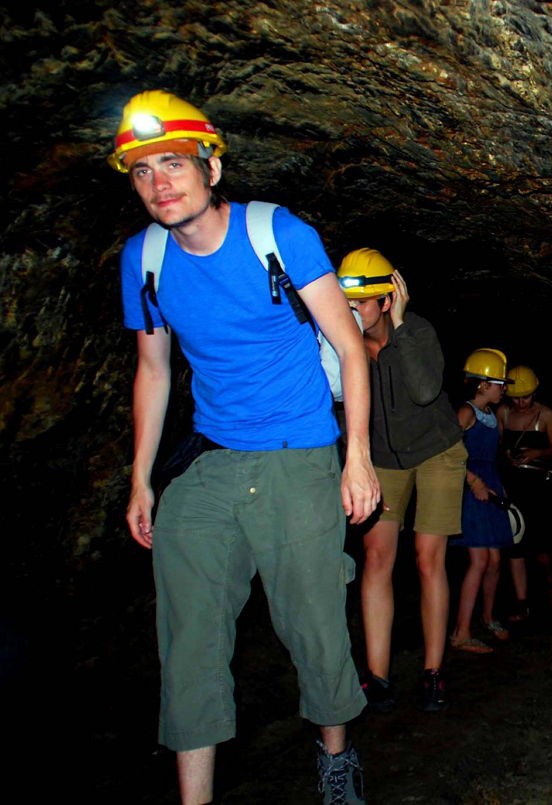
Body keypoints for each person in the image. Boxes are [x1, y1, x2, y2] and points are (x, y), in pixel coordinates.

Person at [114, 90, 378, 804]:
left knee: (314, 626)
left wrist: (355, 455)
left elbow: (349, 347)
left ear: (211, 166)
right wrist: (141, 480)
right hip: (211, 459)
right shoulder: (145, 258)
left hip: (299, 451)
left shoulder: (277, 234)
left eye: (172, 163)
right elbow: (154, 369)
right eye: (141, 172)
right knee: (188, 637)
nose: (158, 183)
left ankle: (336, 760)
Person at [338, 249, 466, 713]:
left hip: (437, 453)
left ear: (387, 300)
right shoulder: (342, 342)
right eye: (348, 303)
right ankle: (377, 676)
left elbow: (424, 390)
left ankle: (433, 671)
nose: (353, 311)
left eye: (363, 303)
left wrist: (404, 325)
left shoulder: (419, 331)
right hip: (384, 459)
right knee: (376, 558)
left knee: (428, 558)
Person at [449, 349, 514, 653]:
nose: (504, 388)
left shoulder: (492, 416)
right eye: (500, 382)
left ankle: (488, 618)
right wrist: (473, 481)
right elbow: (448, 453)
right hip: (472, 490)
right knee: (479, 561)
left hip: (491, 489)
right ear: (482, 384)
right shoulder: (466, 412)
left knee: (495, 560)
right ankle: (461, 632)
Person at [498, 365, 552, 616]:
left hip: (539, 486)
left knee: (542, 543)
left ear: (535, 393)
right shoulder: (503, 413)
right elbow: (498, 445)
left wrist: (538, 452)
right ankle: (521, 600)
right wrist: (506, 455)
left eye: (525, 396)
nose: (521, 402)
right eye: (516, 396)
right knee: (516, 541)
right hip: (513, 484)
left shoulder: (546, 414)